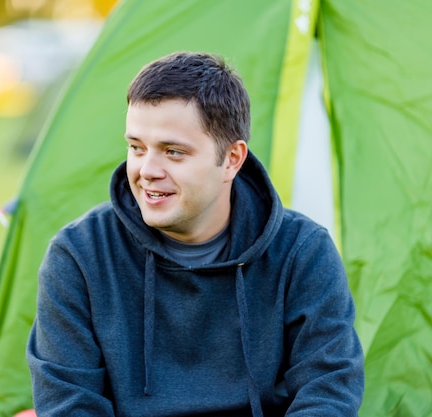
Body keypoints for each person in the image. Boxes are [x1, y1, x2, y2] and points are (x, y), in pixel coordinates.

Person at [26, 51, 364, 416]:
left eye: (173, 152)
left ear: (232, 159)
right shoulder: (79, 255)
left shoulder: (303, 252)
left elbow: (328, 392)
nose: (146, 170)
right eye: (136, 148)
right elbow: (70, 404)